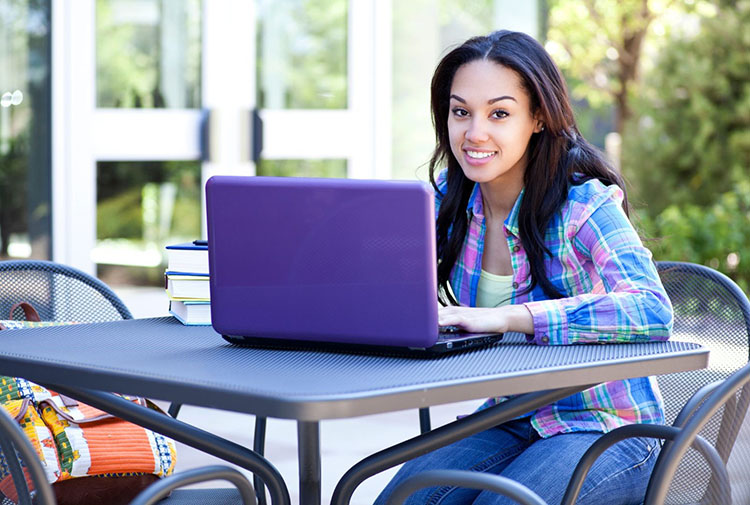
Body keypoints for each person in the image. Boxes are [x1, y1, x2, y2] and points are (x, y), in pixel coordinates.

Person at [374, 30, 673, 505]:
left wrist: (512, 317)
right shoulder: (447, 201)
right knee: (404, 499)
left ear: (537, 118)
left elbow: (651, 309)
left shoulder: (583, 203)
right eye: (460, 112)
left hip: (608, 428)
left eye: (499, 113)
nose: (474, 133)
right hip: (509, 418)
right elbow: (377, 279)